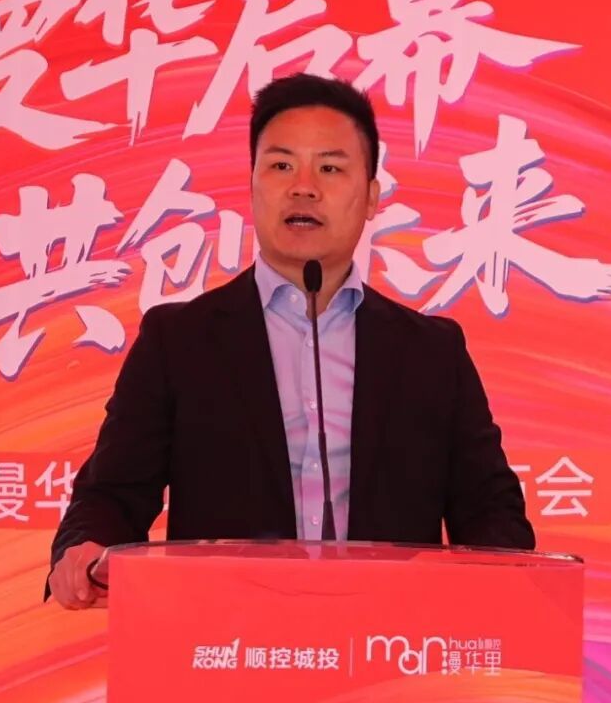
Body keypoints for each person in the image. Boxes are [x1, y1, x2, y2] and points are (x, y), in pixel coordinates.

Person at [47, 73, 533, 609]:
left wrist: (490, 581)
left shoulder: (432, 353)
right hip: (224, 639)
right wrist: (85, 549)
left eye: (330, 168)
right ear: (252, 184)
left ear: (372, 197)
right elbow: (111, 495)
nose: (303, 187)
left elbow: (490, 510)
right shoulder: (179, 341)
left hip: (391, 640)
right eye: (281, 166)